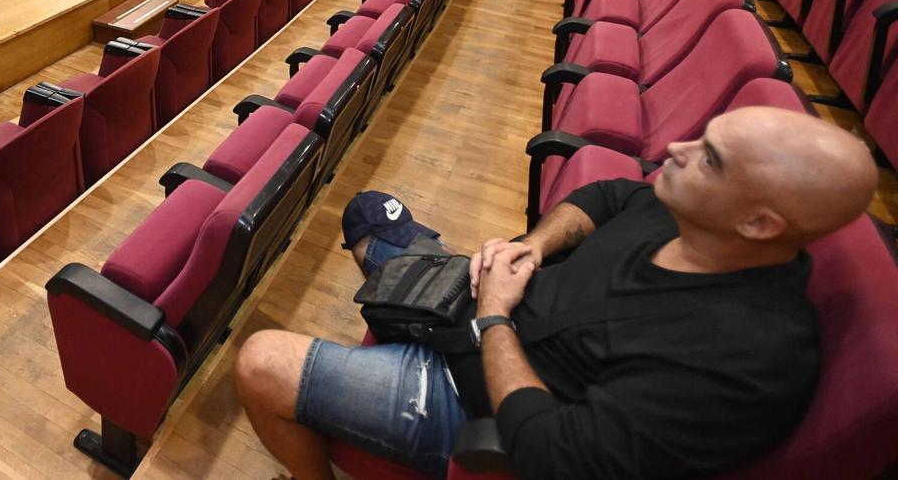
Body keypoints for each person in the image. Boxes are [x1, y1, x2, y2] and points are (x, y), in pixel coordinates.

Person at [235, 107, 879, 479]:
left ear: (760, 223)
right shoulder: (690, 210)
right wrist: (533, 247)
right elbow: (605, 197)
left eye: (709, 157)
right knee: (371, 211)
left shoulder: (745, 364)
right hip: (479, 305)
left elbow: (547, 452)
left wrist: (494, 318)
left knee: (260, 361)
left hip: (468, 395)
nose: (677, 150)